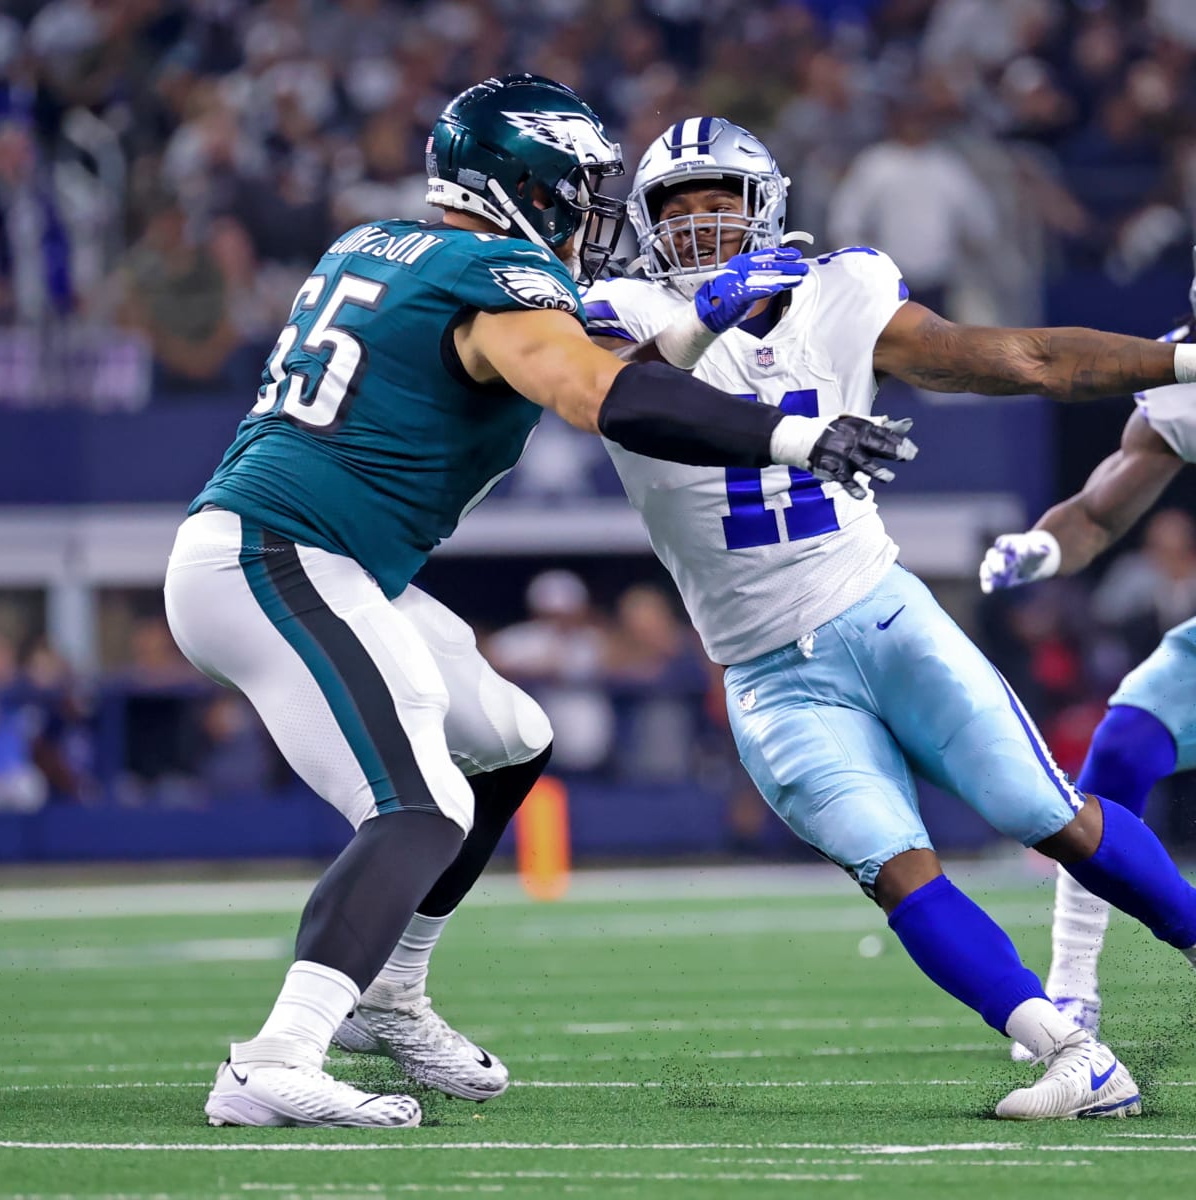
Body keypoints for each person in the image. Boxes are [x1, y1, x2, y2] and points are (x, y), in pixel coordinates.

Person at [162, 75, 917, 1131]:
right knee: (421, 802)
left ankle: (391, 991)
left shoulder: (377, 246)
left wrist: (693, 325)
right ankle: (275, 1057)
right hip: (280, 557)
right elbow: (599, 394)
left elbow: (592, 365)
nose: (590, 213)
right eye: (579, 190)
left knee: (512, 738)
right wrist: (793, 434)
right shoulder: (496, 270)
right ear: (526, 185)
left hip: (309, 556)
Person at [575, 116, 1196, 1121]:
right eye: (674, 207)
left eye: (716, 200)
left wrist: (1180, 366)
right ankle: (1071, 1055)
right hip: (765, 667)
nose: (696, 224)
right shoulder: (620, 308)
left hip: (881, 613)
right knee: (895, 868)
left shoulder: (842, 288)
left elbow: (1014, 356)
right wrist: (696, 327)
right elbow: (614, 393)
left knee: (1045, 814)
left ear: (765, 205)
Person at [980, 265, 1196, 1056]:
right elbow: (1101, 511)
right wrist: (1043, 544)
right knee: (1121, 748)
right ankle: (1072, 985)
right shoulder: (1184, 378)